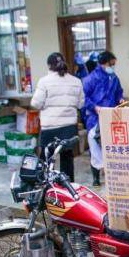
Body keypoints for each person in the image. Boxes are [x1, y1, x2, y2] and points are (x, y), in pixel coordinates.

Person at [31, 52, 84, 182]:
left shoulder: (44, 82)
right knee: (67, 157)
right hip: (69, 127)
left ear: (49, 65)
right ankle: (68, 187)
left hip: (50, 126)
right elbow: (81, 104)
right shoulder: (76, 81)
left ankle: (45, 187)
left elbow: (36, 103)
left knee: (46, 159)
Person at [82, 50, 123, 186]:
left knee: (110, 146)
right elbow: (84, 98)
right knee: (94, 145)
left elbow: (118, 93)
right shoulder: (91, 79)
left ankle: (112, 175)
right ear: (105, 63)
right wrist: (94, 107)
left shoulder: (114, 78)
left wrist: (121, 99)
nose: (113, 66)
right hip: (95, 118)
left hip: (110, 116)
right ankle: (96, 177)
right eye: (112, 64)